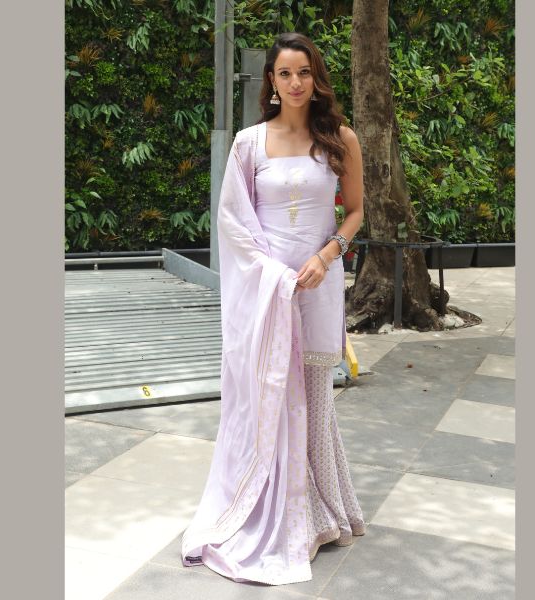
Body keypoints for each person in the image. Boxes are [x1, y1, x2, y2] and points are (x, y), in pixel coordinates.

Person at [181, 32, 366, 586]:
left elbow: (355, 212)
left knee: (314, 401)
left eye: (304, 72)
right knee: (267, 398)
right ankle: (268, 508)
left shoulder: (340, 139)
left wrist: (327, 256)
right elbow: (233, 223)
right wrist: (275, 276)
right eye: (285, 73)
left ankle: (319, 509)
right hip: (266, 293)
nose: (295, 83)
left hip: (318, 285)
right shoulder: (249, 143)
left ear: (317, 77)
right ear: (271, 81)